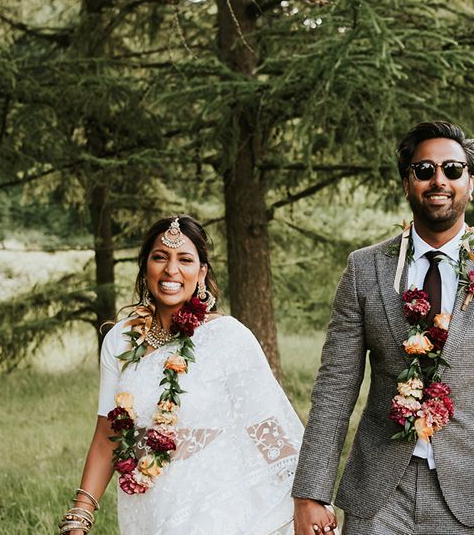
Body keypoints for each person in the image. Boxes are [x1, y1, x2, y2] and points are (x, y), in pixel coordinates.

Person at [292, 121, 474, 535]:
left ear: (471, 182)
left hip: (473, 495)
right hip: (377, 497)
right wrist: (309, 493)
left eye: (452, 169)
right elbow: (335, 388)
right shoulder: (364, 269)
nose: (439, 180)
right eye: (424, 169)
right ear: (406, 182)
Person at [59, 215, 306, 535]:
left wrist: (307, 501)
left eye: (185, 259)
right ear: (145, 266)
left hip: (219, 506)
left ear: (201, 272)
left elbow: (268, 428)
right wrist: (81, 513)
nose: (171, 270)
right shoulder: (120, 341)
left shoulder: (228, 336)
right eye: (160, 257)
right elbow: (108, 435)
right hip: (148, 507)